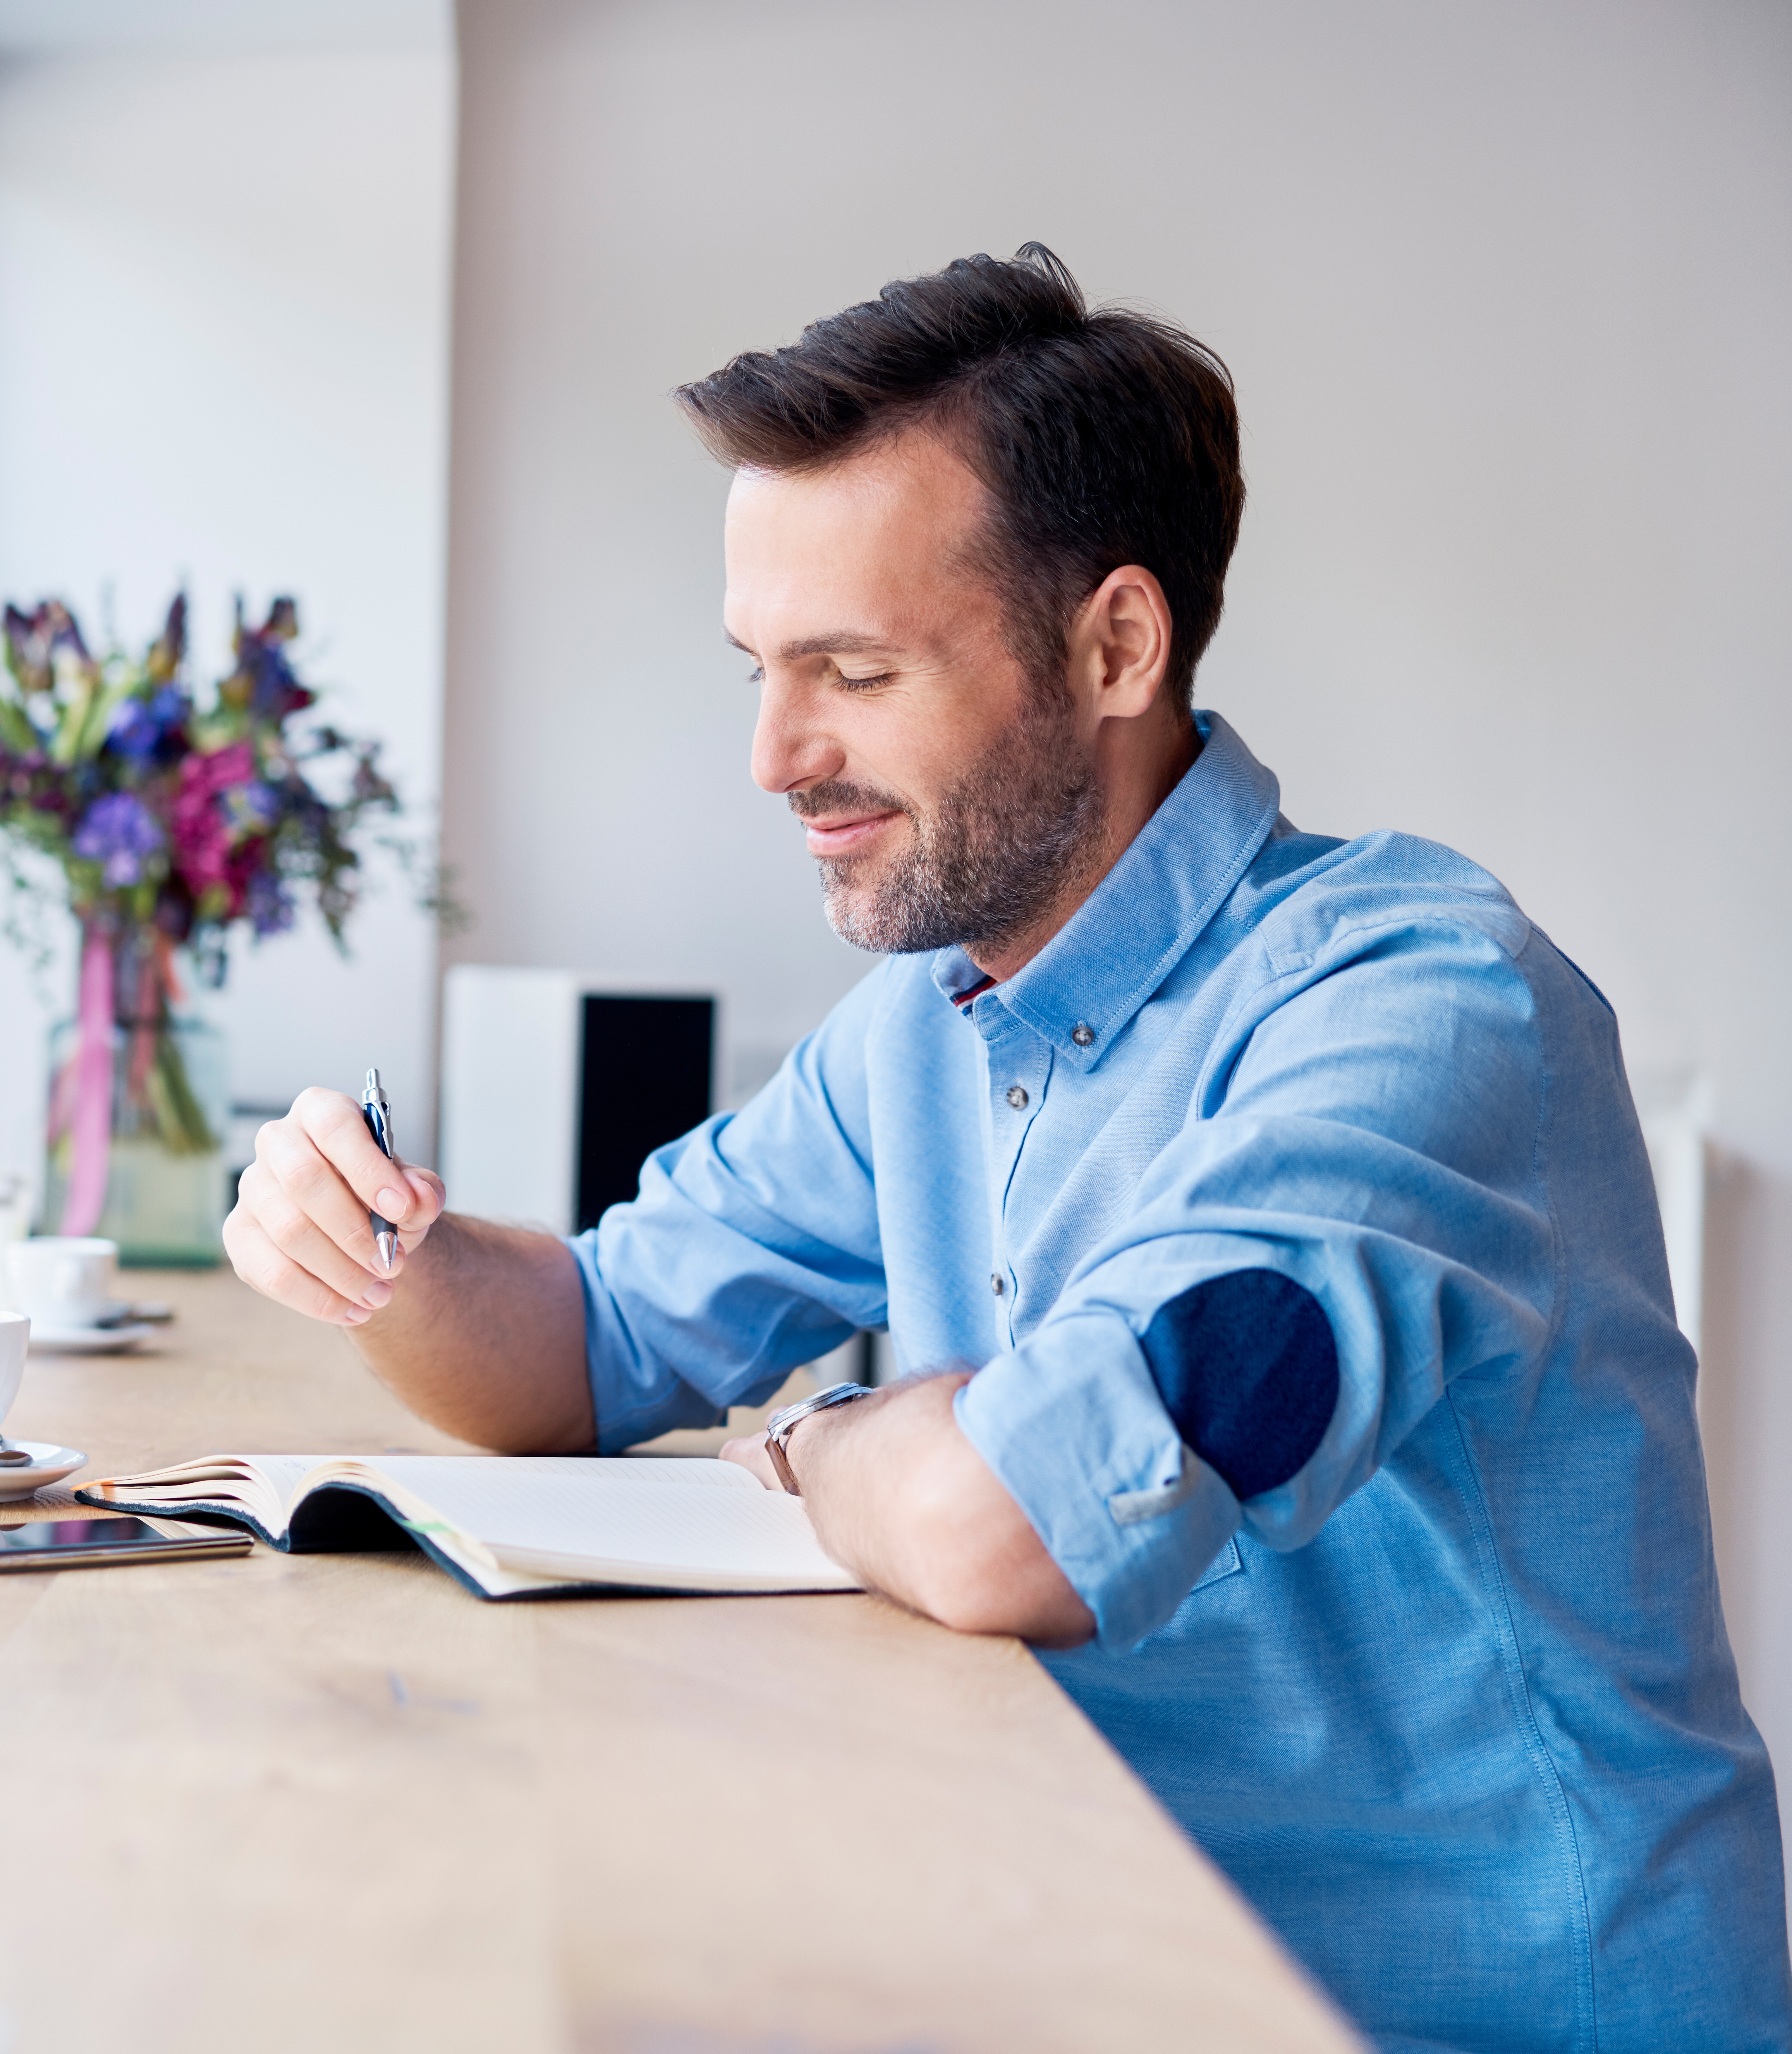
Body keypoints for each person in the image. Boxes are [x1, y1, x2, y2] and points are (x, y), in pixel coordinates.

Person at [223, 246, 1788, 2051]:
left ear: (1112, 643)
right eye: (756, 669)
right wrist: (381, 1257)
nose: (770, 755)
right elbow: (585, 1344)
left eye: (854, 671)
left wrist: (828, 1443)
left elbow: (1015, 1521)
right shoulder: (927, 1021)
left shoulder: (1419, 1004)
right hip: (1111, 1947)